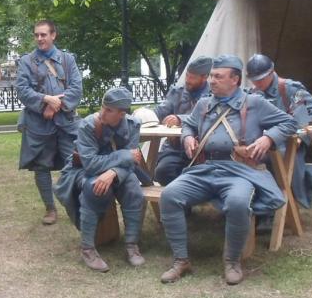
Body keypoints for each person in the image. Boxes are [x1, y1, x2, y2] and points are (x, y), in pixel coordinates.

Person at [159, 54, 296, 285]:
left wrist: (268, 139)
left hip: (239, 171)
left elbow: (290, 123)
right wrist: (187, 137)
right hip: (206, 168)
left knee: (238, 203)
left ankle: (232, 262)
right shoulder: (204, 103)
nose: (212, 81)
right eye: (211, 76)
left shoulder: (255, 103)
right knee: (170, 195)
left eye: (218, 76)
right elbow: (190, 124)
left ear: (235, 79)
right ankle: (181, 260)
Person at [54, 87, 147, 272]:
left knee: (134, 191)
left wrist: (113, 172)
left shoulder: (132, 125)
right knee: (94, 187)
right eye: (103, 107)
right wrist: (123, 155)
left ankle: (131, 245)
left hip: (119, 172)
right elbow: (90, 164)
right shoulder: (88, 125)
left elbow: (132, 162)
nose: (102, 112)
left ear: (121, 113)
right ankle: (87, 249)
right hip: (83, 171)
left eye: (109, 110)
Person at [16, 20, 82, 225]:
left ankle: (76, 202)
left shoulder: (67, 59)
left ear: (53, 35)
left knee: (74, 162)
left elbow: (76, 88)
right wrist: (45, 100)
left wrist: (56, 105)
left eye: (43, 35)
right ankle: (50, 208)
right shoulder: (26, 61)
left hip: (65, 121)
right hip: (38, 124)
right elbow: (22, 90)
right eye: (36, 35)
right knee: (41, 166)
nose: (39, 39)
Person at [246, 53, 312, 212]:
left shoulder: (289, 89)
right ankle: (250, 206)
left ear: (272, 72)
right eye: (254, 79)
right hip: (263, 142)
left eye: (261, 78)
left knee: (279, 158)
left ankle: (271, 208)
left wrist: (300, 137)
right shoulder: (252, 94)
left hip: (288, 144)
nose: (258, 82)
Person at [153, 56, 213, 185]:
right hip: (175, 149)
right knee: (162, 172)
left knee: (205, 174)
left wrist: (180, 119)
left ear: (204, 77)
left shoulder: (214, 95)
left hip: (203, 150)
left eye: (192, 77)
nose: (187, 80)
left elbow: (208, 116)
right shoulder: (177, 92)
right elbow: (160, 111)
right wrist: (145, 115)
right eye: (187, 75)